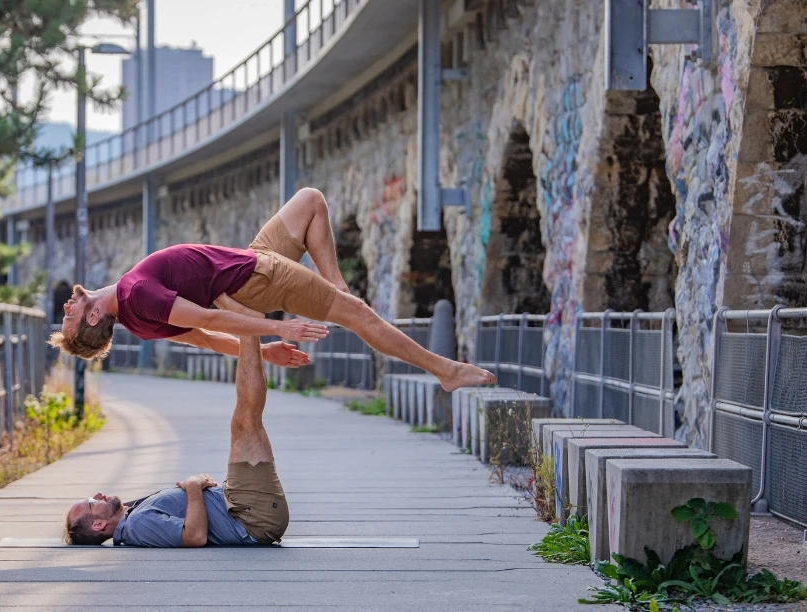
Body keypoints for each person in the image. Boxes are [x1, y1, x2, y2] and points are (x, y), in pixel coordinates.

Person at [53, 187, 496, 392]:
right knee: (357, 316)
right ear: (94, 317)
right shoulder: (134, 297)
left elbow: (206, 338)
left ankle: (337, 287)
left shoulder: (138, 316)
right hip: (258, 278)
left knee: (310, 200)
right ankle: (445, 370)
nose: (68, 305)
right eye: (70, 315)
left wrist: (263, 352)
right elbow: (209, 321)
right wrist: (274, 330)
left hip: (249, 258)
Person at [64, 332, 288, 547]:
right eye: (92, 503)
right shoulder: (138, 525)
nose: (97, 495)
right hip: (250, 517)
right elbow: (194, 536)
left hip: (243, 507)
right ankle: (248, 322)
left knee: (246, 422)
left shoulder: (132, 516)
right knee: (245, 422)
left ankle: (248, 324)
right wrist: (193, 486)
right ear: (99, 524)